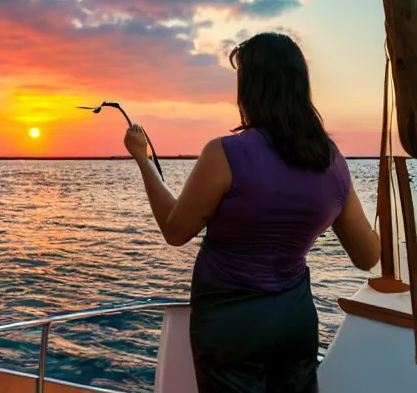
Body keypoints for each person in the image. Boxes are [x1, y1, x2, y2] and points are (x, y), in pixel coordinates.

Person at [123, 32, 381, 393]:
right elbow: (368, 255)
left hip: (230, 327)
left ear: (252, 88)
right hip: (294, 321)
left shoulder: (225, 154)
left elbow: (175, 230)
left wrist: (143, 160)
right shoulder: (331, 161)